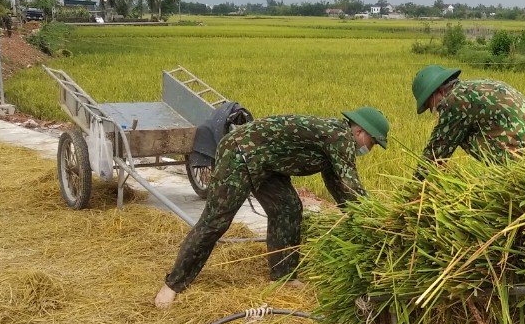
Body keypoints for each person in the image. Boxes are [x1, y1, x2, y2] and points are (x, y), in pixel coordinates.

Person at [154, 108, 389, 308]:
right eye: (373, 143)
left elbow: (338, 186)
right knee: (216, 221)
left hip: (267, 163)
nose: (371, 149)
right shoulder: (341, 137)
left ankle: (283, 276)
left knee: (288, 208)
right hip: (241, 154)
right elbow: (351, 184)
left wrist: (357, 215)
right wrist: (376, 218)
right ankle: (173, 284)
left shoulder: (333, 140)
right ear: (359, 132)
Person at [410, 64, 525, 176]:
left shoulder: (455, 100)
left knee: (461, 137)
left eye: (431, 104)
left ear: (439, 91)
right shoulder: (479, 86)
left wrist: (412, 193)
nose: (435, 110)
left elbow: (436, 153)